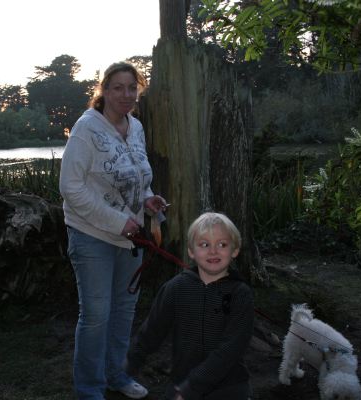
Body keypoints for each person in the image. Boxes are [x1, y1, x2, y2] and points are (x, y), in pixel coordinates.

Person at [59, 61, 168, 400]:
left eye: (132, 87)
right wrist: (117, 221)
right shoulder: (86, 129)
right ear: (104, 90)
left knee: (124, 311)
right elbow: (70, 187)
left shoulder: (136, 127)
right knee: (96, 317)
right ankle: (89, 389)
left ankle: (116, 376)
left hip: (130, 239)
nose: (126, 94)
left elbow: (137, 177)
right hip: (91, 235)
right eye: (118, 87)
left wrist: (148, 200)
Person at [125, 212, 254, 400]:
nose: (213, 251)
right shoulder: (175, 288)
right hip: (181, 383)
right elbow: (152, 330)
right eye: (204, 244)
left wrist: (192, 386)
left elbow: (231, 348)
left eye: (222, 244)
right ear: (191, 251)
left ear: (235, 250)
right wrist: (130, 361)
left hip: (229, 388)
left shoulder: (241, 294)